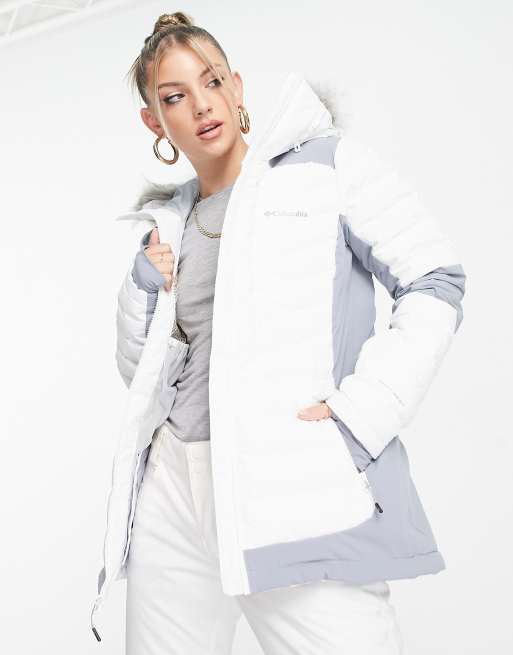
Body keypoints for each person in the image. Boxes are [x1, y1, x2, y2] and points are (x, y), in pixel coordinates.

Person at [89, 11, 466, 654]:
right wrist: (142, 290)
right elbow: (143, 376)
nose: (201, 105)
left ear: (236, 86)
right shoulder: (168, 225)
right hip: (172, 490)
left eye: (212, 81)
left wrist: (359, 417)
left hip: (286, 480)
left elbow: (435, 279)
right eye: (175, 97)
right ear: (156, 124)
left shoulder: (325, 168)